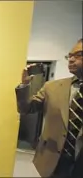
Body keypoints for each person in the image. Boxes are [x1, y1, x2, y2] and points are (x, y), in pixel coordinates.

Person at [15, 38, 83, 178]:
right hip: (55, 162)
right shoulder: (51, 87)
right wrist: (24, 85)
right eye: (69, 56)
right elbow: (26, 109)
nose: (70, 59)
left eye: (77, 55)